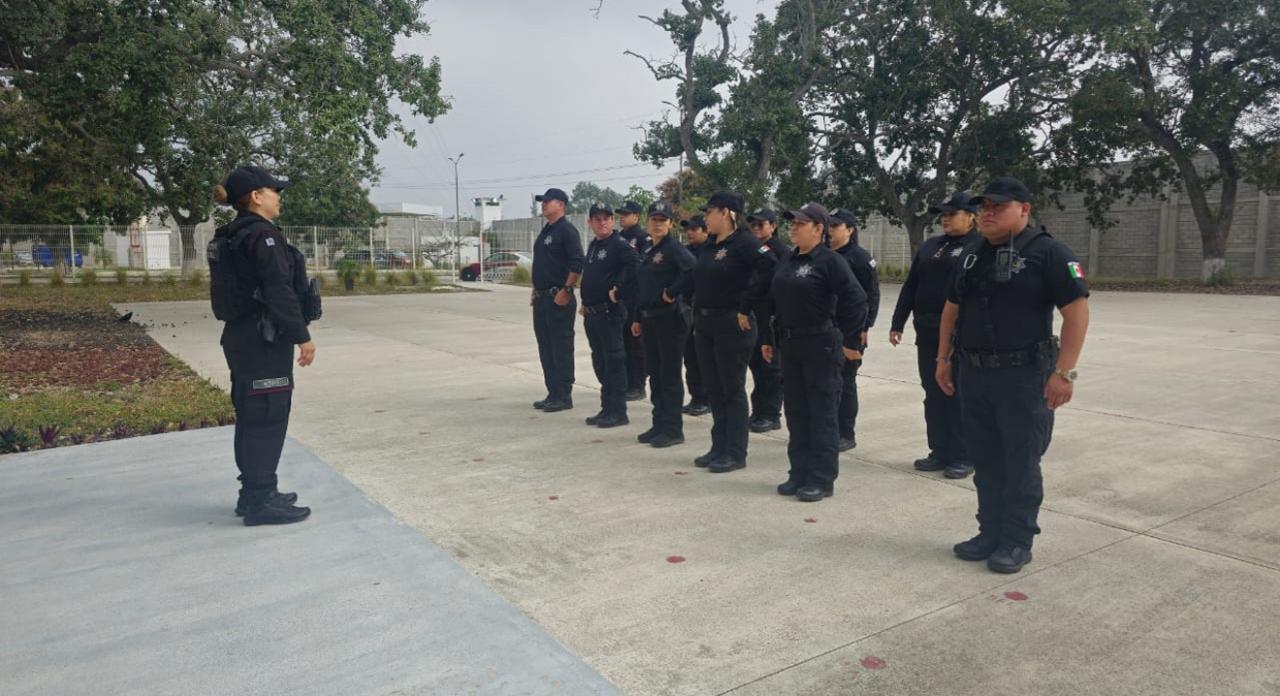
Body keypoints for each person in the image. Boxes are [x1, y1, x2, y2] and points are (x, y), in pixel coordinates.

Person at [937, 176, 1090, 574]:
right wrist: (943, 358)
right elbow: (952, 307)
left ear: (1024, 209)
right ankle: (989, 532)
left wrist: (1065, 372)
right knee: (985, 458)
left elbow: (1076, 311)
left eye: (997, 206)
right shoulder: (972, 254)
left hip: (1023, 376)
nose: (987, 213)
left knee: (1020, 461)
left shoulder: (1049, 253)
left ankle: (1017, 540)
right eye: (983, 207)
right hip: (974, 372)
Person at [210, 165, 315, 526]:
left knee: (252, 415)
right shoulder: (262, 236)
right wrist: (302, 336)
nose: (279, 197)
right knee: (267, 416)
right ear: (256, 196)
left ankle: (254, 492)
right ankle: (261, 501)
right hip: (263, 340)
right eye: (274, 191)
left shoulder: (232, 234)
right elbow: (278, 290)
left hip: (242, 337)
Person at [764, 203, 867, 502]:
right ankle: (798, 473)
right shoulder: (788, 259)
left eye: (801, 223)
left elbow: (856, 299)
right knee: (797, 412)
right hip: (790, 344)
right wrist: (770, 339)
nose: (793, 228)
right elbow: (775, 302)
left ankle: (821, 479)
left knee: (821, 413)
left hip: (821, 344)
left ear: (819, 228)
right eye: (793, 223)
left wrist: (850, 341)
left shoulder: (831, 261)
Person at [890, 191, 979, 479]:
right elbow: (912, 284)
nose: (945, 219)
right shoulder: (932, 246)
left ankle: (963, 455)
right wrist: (898, 321)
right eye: (943, 214)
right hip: (927, 331)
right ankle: (939, 451)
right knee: (933, 391)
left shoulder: (978, 246)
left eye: (952, 214)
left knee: (957, 393)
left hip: (961, 334)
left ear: (971, 217)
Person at [691, 191, 778, 473]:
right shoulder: (710, 244)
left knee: (731, 389)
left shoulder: (745, 242)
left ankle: (735, 452)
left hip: (732, 324)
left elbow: (771, 267)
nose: (705, 217)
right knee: (714, 388)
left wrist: (747, 304)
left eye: (709, 212)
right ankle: (719, 446)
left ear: (727, 213)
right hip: (706, 324)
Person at [630, 201, 695, 447]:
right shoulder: (649, 249)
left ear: (670, 223)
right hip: (649, 319)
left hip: (669, 319)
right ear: (647, 222)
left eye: (663, 220)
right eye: (654, 219)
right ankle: (659, 423)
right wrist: (637, 317)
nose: (658, 224)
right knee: (655, 374)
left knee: (669, 375)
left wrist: (672, 291)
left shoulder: (674, 248)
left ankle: (673, 429)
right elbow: (642, 286)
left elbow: (693, 270)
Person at [580, 202, 639, 427]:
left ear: (612, 221)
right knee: (601, 362)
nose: (602, 222)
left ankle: (618, 412)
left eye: (606, 218)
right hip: (592, 313)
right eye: (597, 219)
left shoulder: (619, 244)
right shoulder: (594, 245)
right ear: (590, 223)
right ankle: (607, 407)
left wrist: (619, 288)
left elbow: (635, 267)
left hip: (609, 313)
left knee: (614, 362)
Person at [828, 208, 880, 451]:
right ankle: (827, 429)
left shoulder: (859, 258)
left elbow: (872, 295)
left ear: (849, 229)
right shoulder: (823, 255)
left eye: (835, 226)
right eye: (828, 226)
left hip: (850, 329)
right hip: (825, 329)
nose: (829, 231)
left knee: (845, 381)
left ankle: (845, 433)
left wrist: (865, 327)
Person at [531, 187, 585, 413]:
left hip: (558, 298)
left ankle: (564, 395)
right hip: (542, 298)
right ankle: (552, 392)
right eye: (542, 201)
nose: (543, 204)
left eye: (548, 201)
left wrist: (567, 289)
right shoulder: (546, 230)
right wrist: (535, 289)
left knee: (560, 347)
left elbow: (577, 262)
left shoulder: (567, 231)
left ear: (561, 205)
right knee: (546, 347)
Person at [745, 208, 787, 433]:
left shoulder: (780, 251)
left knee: (770, 367)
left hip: (771, 315)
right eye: (753, 225)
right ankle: (759, 411)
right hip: (754, 314)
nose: (756, 228)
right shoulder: (753, 249)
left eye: (761, 224)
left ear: (773, 226)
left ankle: (771, 414)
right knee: (757, 366)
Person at [616, 200, 652, 401]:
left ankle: (638, 385)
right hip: (619, 299)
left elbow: (642, 268)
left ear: (636, 217)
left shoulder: (643, 238)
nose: (622, 217)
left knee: (636, 344)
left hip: (635, 298)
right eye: (621, 213)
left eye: (626, 214)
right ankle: (627, 382)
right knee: (622, 344)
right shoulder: (618, 237)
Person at [680, 216, 711, 416]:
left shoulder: (710, 251)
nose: (689, 232)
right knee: (690, 358)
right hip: (686, 310)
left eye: (694, 229)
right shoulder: (685, 251)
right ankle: (696, 397)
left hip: (704, 311)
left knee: (703, 359)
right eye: (687, 229)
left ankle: (707, 399)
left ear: (705, 230)